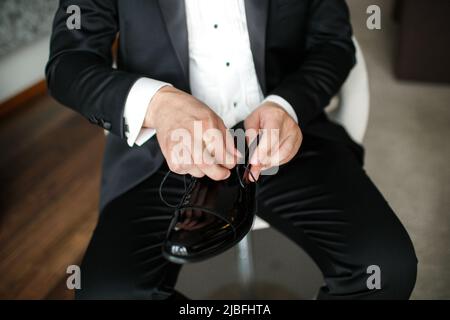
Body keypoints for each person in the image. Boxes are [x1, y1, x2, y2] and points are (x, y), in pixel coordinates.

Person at [46, 0, 417, 299]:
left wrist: (286, 106)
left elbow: (333, 43)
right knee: (108, 293)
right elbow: (68, 64)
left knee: (385, 269)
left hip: (283, 140)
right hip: (161, 153)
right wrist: (158, 106)